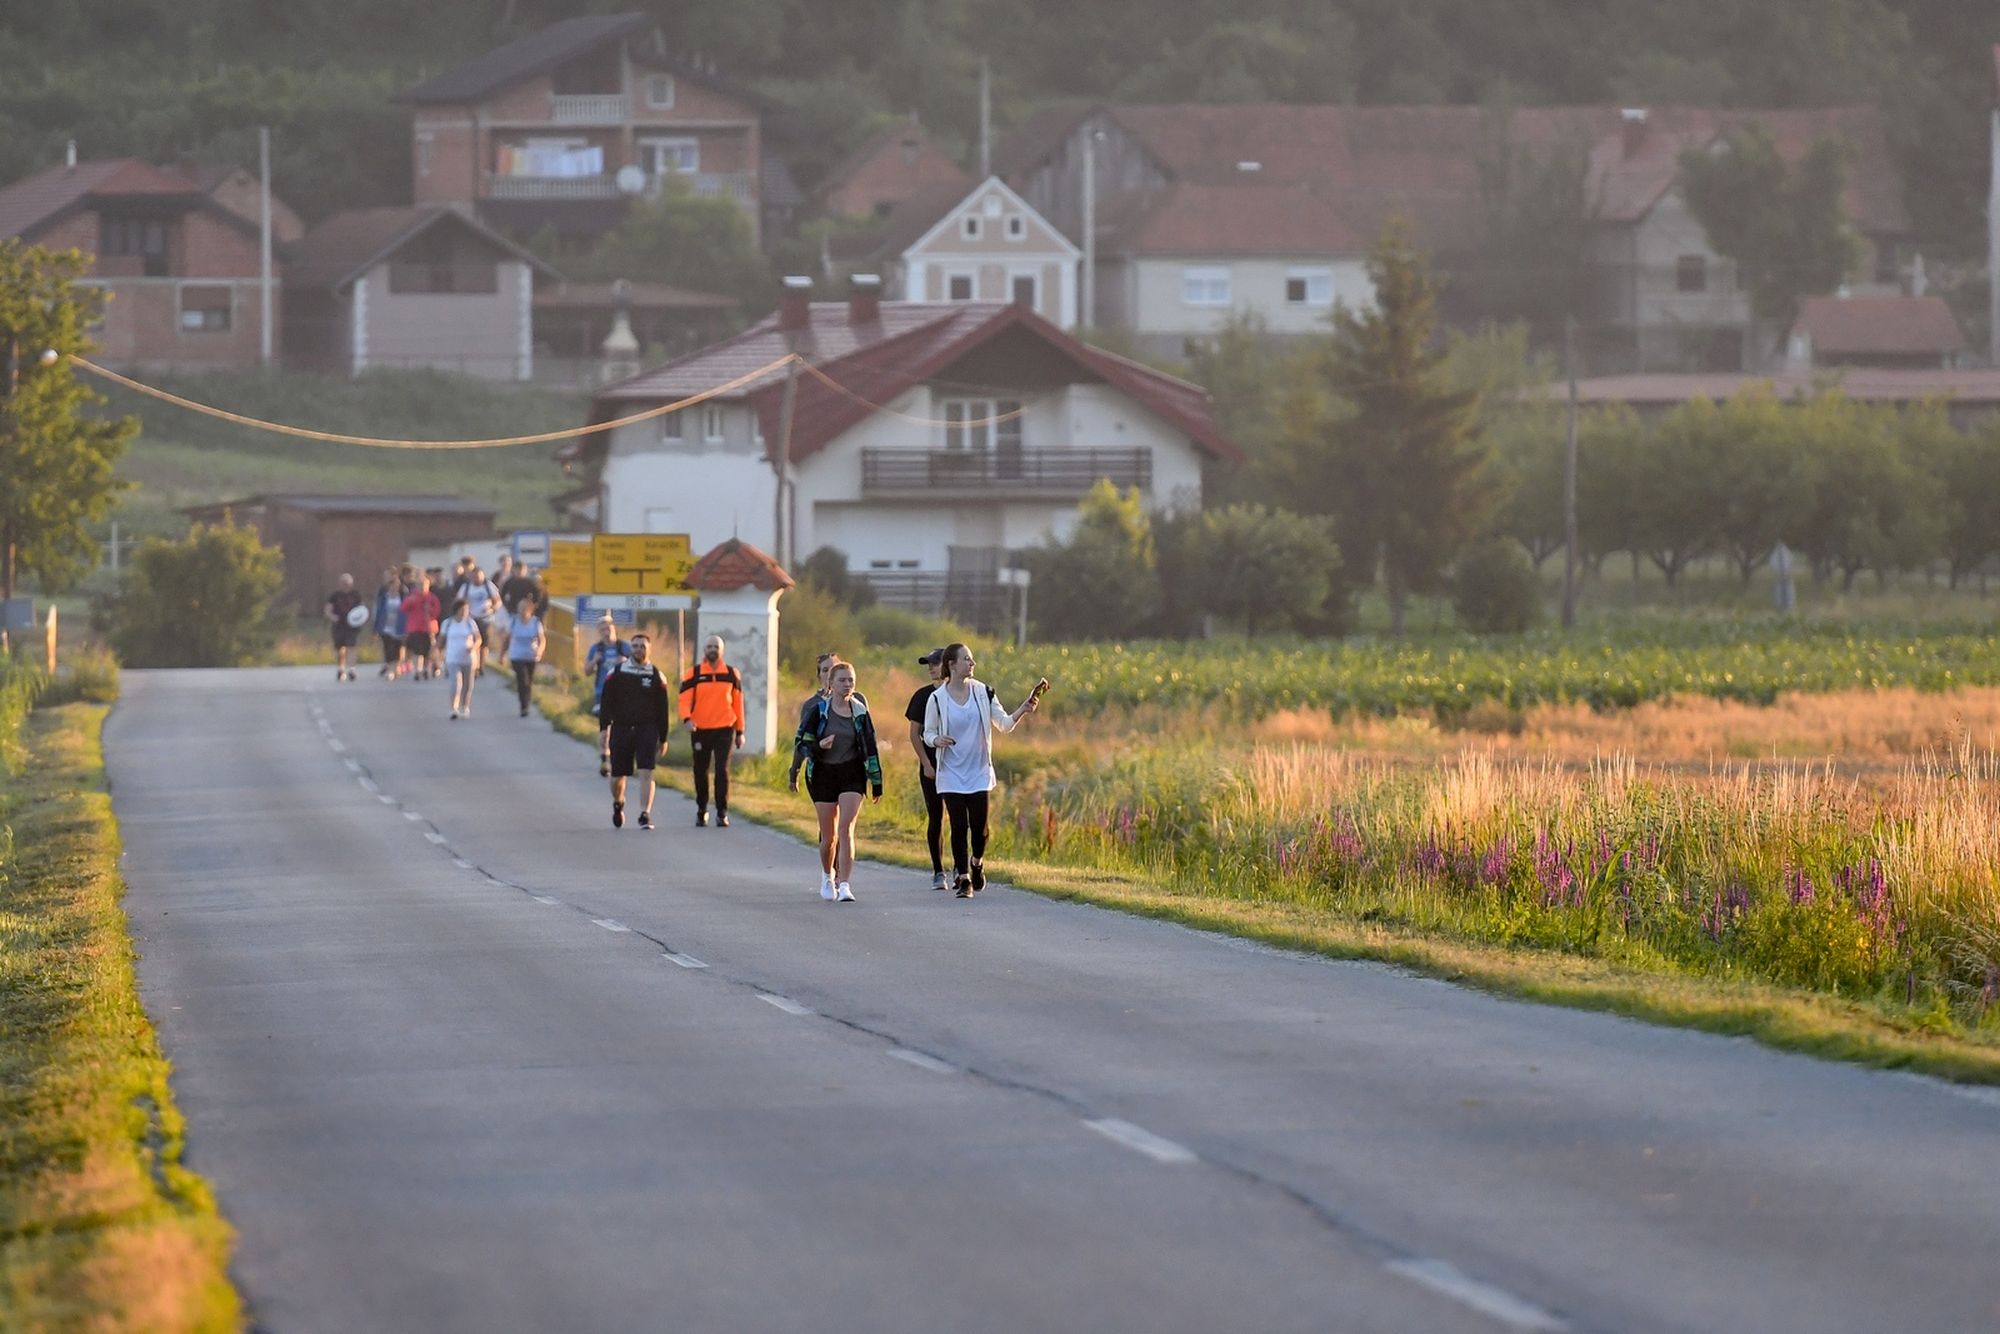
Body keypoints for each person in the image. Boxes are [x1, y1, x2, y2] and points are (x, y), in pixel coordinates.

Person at [922, 643, 1040, 899]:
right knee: (958, 824)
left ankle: (977, 863)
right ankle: (963, 878)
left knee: (980, 829)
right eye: (967, 659)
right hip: (950, 771)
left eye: (972, 659)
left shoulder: (983, 692)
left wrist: (1023, 709)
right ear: (952, 665)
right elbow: (927, 732)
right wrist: (936, 740)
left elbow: (1005, 724)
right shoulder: (937, 699)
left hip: (977, 771)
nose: (972, 664)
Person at [788, 659, 881, 903]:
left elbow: (871, 747)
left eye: (851, 680)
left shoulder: (860, 711)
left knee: (846, 829)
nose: (847, 684)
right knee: (829, 837)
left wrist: (876, 781)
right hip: (823, 773)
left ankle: (845, 885)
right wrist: (818, 746)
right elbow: (801, 742)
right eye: (842, 680)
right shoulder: (818, 711)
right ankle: (827, 876)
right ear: (830, 683)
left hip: (852, 773)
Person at [599, 633, 671, 830]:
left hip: (647, 729)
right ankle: (618, 803)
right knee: (617, 776)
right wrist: (604, 728)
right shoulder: (617, 672)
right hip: (622, 728)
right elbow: (606, 702)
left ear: (649, 650)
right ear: (631, 648)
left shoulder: (656, 675)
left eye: (642, 646)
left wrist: (663, 737)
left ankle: (645, 814)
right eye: (635, 646)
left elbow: (663, 709)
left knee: (646, 771)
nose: (639, 649)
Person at [680, 633, 745, 828]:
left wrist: (740, 731)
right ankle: (702, 809)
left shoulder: (732, 674)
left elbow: (738, 703)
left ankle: (722, 812)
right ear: (704, 650)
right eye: (709, 647)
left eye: (716, 647)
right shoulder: (694, 673)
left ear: (722, 651)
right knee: (700, 770)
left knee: (721, 770)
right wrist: (686, 719)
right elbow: (684, 699)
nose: (712, 650)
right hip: (700, 728)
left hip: (725, 728)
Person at [904, 647, 949, 890]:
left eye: (935, 663)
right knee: (936, 817)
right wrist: (926, 764)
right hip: (931, 762)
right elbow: (914, 734)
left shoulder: (960, 694)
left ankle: (967, 867)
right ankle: (939, 870)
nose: (931, 668)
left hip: (957, 763)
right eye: (929, 664)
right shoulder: (922, 696)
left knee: (962, 818)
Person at [584, 612, 630, 777]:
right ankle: (605, 759)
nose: (606, 631)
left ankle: (620, 756)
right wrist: (595, 660)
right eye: (602, 629)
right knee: (605, 730)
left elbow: (640, 666)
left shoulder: (624, 647)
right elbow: (587, 671)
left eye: (608, 627)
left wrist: (625, 661)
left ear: (614, 628)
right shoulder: (596, 649)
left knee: (621, 728)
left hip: (623, 694)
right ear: (599, 631)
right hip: (602, 693)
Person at [504, 595, 546, 717]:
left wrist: (540, 651)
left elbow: (542, 640)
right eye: (520, 608)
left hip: (531, 655)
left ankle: (526, 701)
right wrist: (502, 654)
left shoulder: (535, 623)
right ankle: (524, 706)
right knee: (523, 679)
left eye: (524, 608)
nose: (522, 611)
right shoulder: (513, 621)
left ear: (530, 609)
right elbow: (507, 639)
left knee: (529, 681)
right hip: (516, 655)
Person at [440, 599, 481, 718]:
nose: (464, 612)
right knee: (456, 683)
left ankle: (465, 706)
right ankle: (453, 707)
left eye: (466, 610)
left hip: (468, 658)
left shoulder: (470, 623)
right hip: (452, 658)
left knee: (468, 684)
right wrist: (437, 654)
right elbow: (441, 640)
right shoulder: (448, 623)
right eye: (462, 610)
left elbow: (478, 639)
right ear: (456, 610)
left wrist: (473, 646)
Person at [399, 574, 441, 681]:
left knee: (428, 651)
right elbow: (403, 608)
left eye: (424, 584)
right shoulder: (412, 597)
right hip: (415, 628)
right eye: (420, 584)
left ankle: (426, 669)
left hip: (429, 628)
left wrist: (430, 609)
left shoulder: (432, 598)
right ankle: (418, 670)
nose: (422, 586)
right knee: (418, 651)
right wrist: (411, 601)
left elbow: (437, 612)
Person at [325, 573, 363, 681]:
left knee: (351, 647)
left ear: (351, 583)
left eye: (348, 583)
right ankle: (341, 669)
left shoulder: (356, 595)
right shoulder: (335, 595)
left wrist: (360, 620)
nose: (346, 585)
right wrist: (332, 617)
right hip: (339, 625)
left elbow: (362, 609)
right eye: (343, 582)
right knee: (340, 649)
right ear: (340, 583)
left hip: (352, 626)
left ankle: (352, 669)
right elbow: (328, 609)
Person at [462, 566, 500, 675]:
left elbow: (497, 601)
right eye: (474, 576)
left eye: (479, 576)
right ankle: (474, 664)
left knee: (484, 643)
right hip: (471, 619)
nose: (477, 579)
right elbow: (459, 601)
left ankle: (481, 665)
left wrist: (491, 607)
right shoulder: (467, 587)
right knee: (473, 642)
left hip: (486, 618)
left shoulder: (488, 586)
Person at [372, 568, 406, 679]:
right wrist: (375, 629)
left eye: (397, 585)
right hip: (386, 627)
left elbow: (407, 613)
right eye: (393, 585)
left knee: (398, 648)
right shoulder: (384, 598)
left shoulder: (403, 597)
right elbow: (378, 612)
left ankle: (396, 667)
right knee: (388, 649)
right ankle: (391, 670)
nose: (395, 587)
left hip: (399, 627)